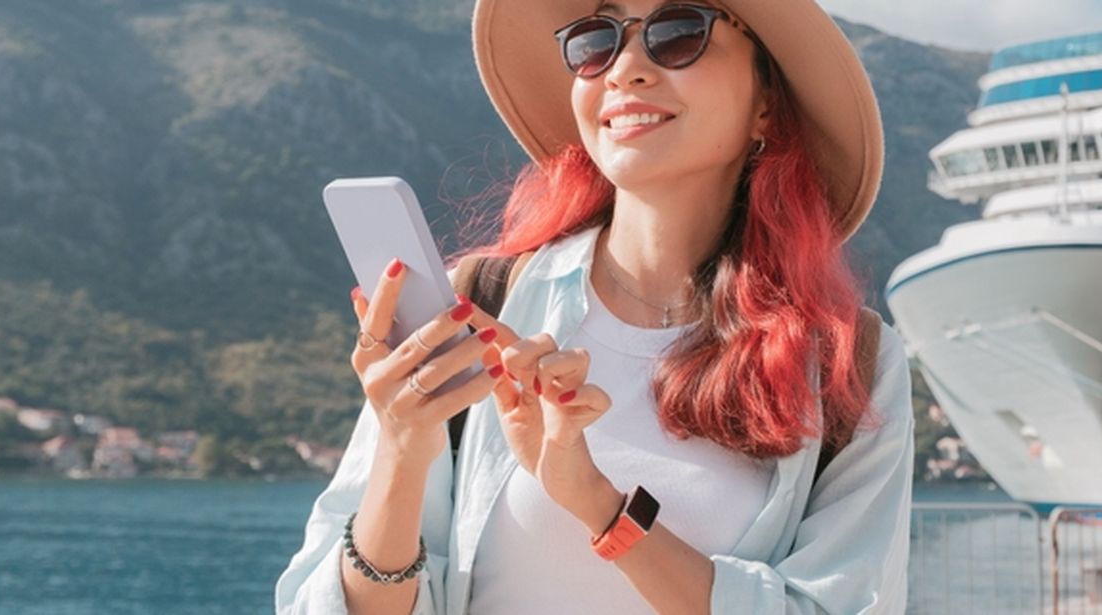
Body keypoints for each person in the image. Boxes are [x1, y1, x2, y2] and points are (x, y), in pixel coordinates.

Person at [275, 1, 909, 613]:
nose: (625, 66)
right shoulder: (480, 307)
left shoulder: (849, 359)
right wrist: (401, 449)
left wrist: (601, 507)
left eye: (679, 29)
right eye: (598, 38)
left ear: (766, 104)